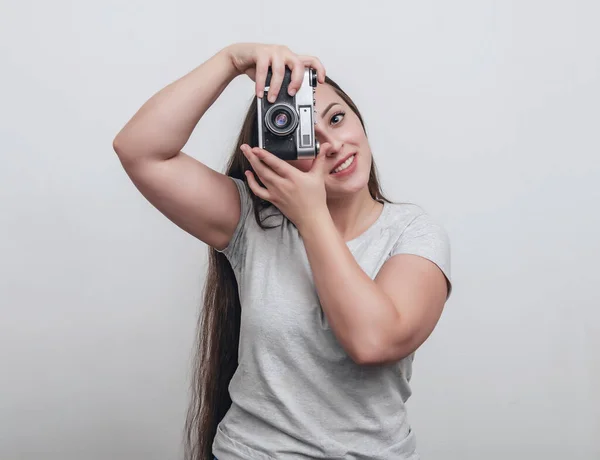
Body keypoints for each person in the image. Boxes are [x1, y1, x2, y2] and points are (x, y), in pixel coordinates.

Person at [112, 42, 453, 460]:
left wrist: (312, 217)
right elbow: (140, 151)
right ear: (279, 150)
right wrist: (231, 62)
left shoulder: (414, 233)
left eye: (338, 118)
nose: (333, 144)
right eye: (309, 131)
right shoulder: (257, 223)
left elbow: (373, 341)